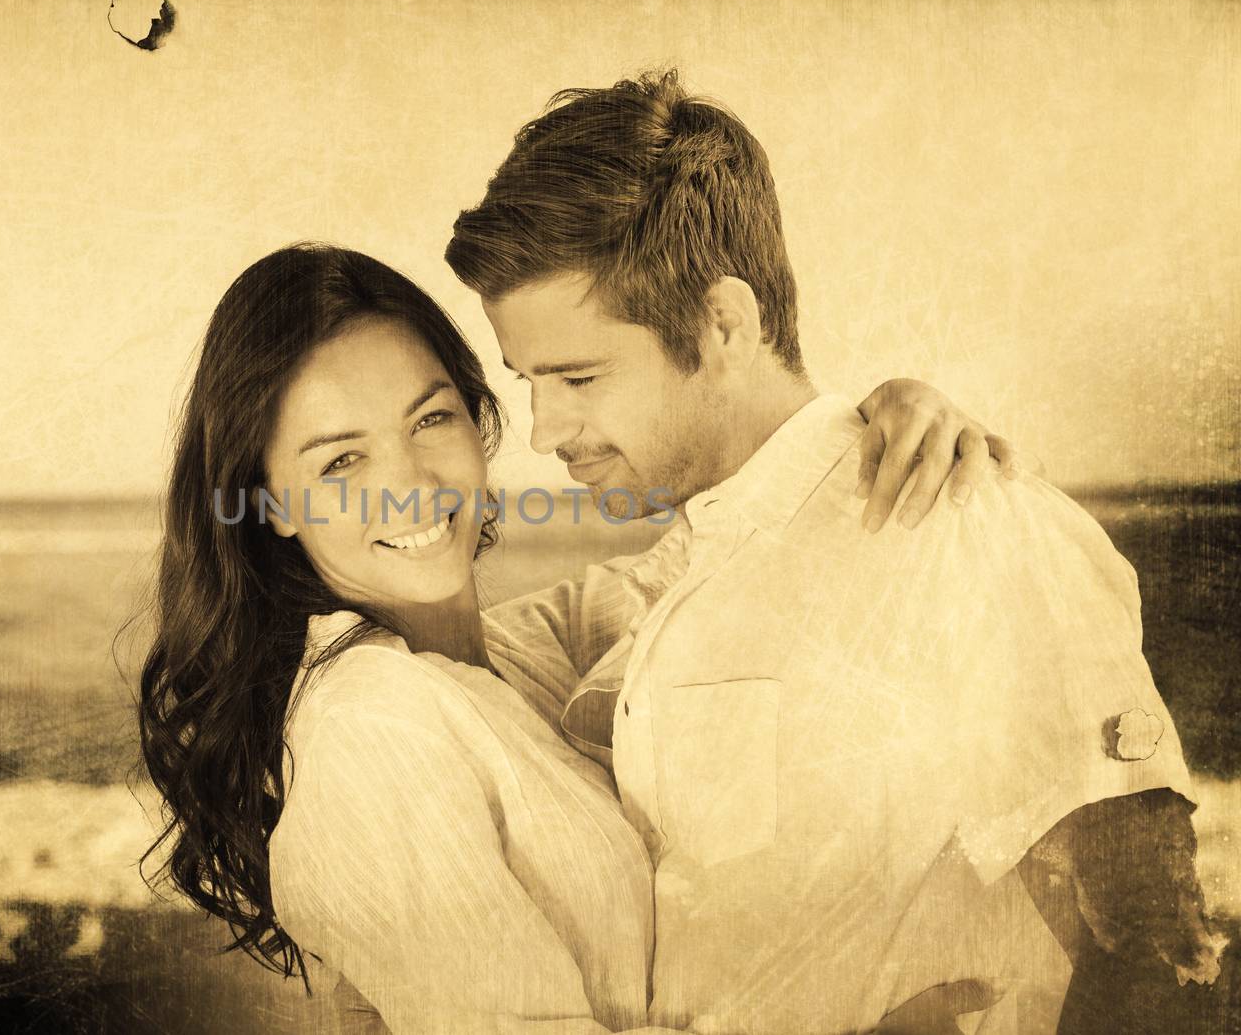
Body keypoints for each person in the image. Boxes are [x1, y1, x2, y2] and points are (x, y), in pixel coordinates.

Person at [446, 70, 1225, 1034]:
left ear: (723, 323)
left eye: (578, 376)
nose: (544, 426)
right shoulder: (679, 573)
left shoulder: (963, 519)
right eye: (529, 379)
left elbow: (1159, 947)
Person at [137, 243, 1014, 1034]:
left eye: (429, 419)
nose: (405, 485)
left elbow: (720, 552)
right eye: (340, 461)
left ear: (480, 425)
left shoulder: (518, 653)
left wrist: (876, 420)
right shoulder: (371, 725)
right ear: (274, 504)